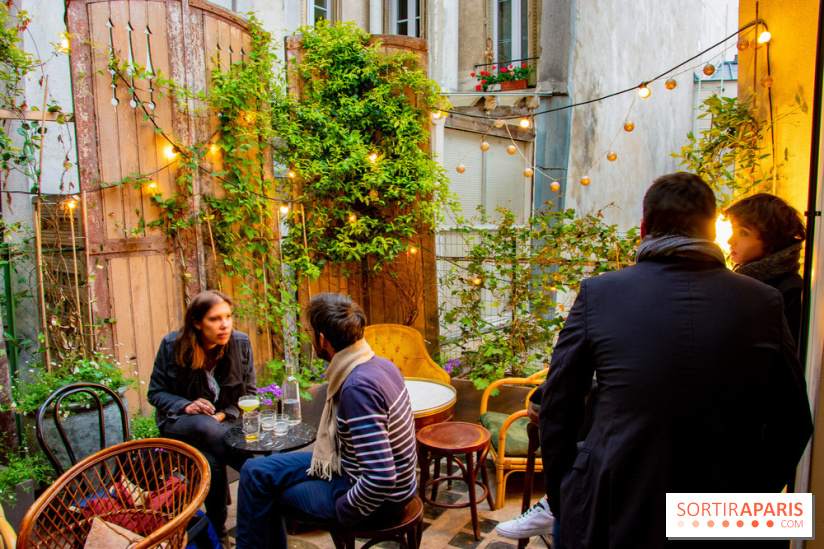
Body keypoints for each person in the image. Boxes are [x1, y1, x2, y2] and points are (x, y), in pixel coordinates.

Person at [503, 173, 812, 548]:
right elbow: (794, 422)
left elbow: (558, 404)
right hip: (725, 509)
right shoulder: (765, 301)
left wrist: (567, 491)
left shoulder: (600, 293)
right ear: (711, 229)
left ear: (645, 228)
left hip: (620, 500)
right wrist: (750, 501)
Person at [235, 292, 418, 549]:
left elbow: (381, 477)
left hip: (378, 500)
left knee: (264, 493)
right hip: (354, 467)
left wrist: (345, 509)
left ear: (322, 340)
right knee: (255, 472)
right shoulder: (378, 364)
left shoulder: (357, 387)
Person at [147, 290, 256, 547]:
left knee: (212, 463)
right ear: (196, 322)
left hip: (223, 422)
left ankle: (219, 532)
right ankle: (256, 471)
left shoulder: (240, 343)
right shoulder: (171, 345)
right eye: (215, 319)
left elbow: (249, 394)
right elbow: (155, 393)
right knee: (206, 426)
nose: (225, 324)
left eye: (228, 316)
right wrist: (186, 406)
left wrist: (224, 414)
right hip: (179, 421)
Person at [726, 193, 806, 347]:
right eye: (733, 230)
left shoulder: (789, 291)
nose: (730, 240)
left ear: (771, 241)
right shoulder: (742, 279)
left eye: (743, 233)